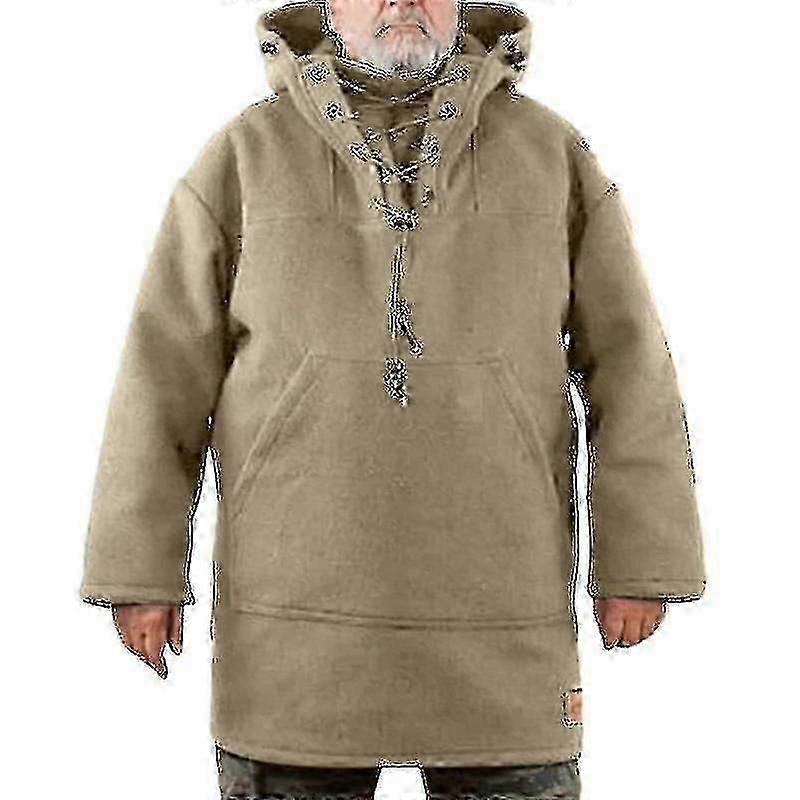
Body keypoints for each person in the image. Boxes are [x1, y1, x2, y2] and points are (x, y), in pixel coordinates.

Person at [79, 1, 708, 798]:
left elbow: (631, 367)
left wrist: (643, 560)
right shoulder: (244, 156)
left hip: (502, 622)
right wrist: (139, 572)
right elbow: (162, 374)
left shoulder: (551, 155)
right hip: (293, 635)